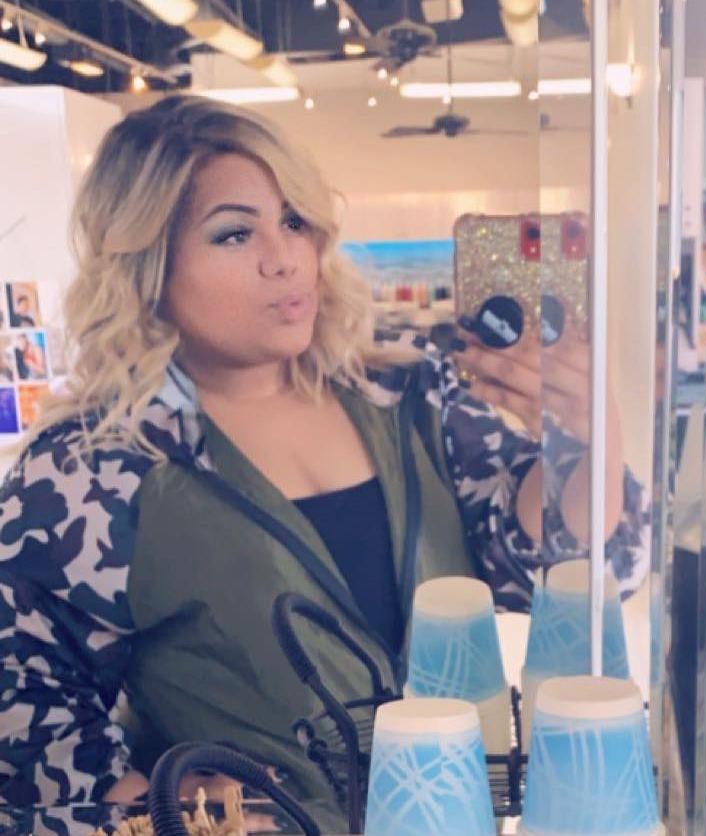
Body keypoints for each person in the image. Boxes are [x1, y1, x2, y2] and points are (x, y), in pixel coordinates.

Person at [0, 96, 648, 827]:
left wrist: (590, 434)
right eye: (234, 233)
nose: (284, 259)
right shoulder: (91, 472)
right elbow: (23, 715)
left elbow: (563, 562)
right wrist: (161, 802)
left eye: (294, 221)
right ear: (147, 264)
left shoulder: (406, 397)